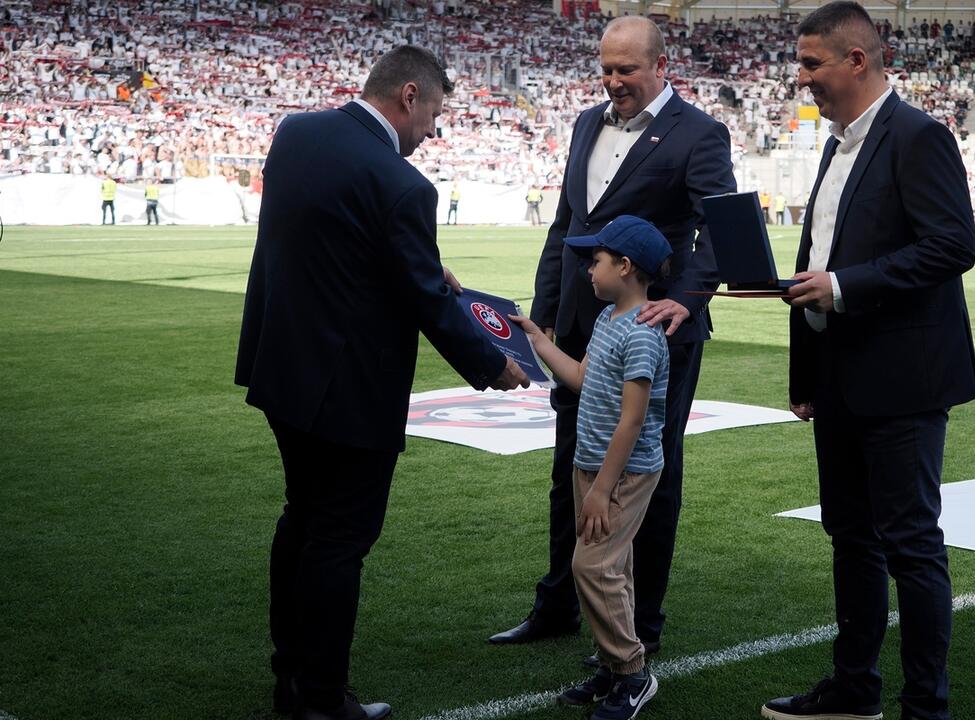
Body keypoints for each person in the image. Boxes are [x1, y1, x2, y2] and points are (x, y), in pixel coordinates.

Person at [235, 45, 529, 720]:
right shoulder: (403, 185)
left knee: (301, 519)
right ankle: (322, 699)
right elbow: (425, 300)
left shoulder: (297, 132)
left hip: (281, 367)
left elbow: (337, 243)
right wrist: (492, 364)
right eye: (434, 115)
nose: (432, 133)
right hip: (348, 389)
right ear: (408, 97)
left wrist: (423, 268)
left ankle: (290, 678)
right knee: (339, 539)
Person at [489, 15, 737, 663]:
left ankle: (642, 624)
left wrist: (682, 301)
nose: (614, 80)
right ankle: (558, 604)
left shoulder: (701, 134)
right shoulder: (584, 124)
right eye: (606, 68)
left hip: (658, 330)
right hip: (578, 323)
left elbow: (721, 230)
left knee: (653, 473)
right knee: (571, 466)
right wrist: (542, 321)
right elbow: (566, 228)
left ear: (661, 66)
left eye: (626, 68)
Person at [763, 4, 975, 720]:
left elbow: (952, 246)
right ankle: (854, 688)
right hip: (840, 377)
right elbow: (816, 262)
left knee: (911, 546)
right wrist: (806, 376)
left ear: (857, 61)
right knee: (850, 538)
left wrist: (846, 287)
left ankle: (928, 707)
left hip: (904, 379)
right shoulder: (835, 146)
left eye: (811, 64)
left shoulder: (918, 137)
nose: (802, 79)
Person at [512, 215, 672, 720]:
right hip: (593, 466)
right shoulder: (607, 321)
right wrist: (539, 340)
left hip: (623, 474)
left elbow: (631, 421)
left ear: (625, 267)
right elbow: (582, 377)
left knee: (592, 566)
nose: (588, 271)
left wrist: (603, 489)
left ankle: (632, 672)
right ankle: (612, 666)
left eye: (596, 262)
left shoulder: (643, 335)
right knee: (611, 569)